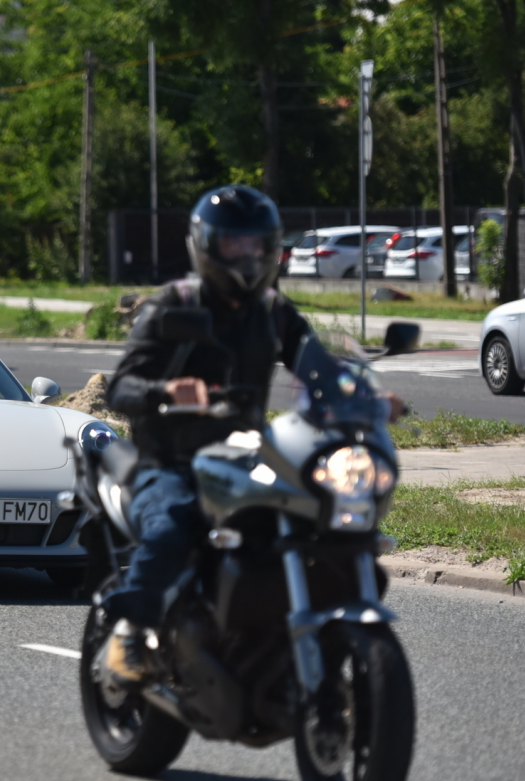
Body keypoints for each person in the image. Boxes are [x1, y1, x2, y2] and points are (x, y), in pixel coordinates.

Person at [99, 184, 403, 682]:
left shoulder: (271, 310)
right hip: (168, 461)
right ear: (206, 245)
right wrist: (166, 392)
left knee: (314, 514)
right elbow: (121, 388)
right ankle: (131, 632)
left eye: (255, 245)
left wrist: (365, 399)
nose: (246, 255)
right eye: (233, 244)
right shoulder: (168, 306)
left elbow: (319, 368)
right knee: (175, 522)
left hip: (242, 456)